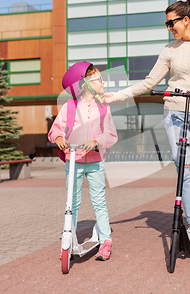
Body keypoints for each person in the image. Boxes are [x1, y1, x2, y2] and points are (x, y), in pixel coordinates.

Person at [103, 0, 190, 249]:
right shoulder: (169, 50)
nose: (169, 27)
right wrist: (117, 95)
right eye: (166, 23)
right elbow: (149, 82)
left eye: (171, 22)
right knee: (184, 170)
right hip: (175, 112)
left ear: (186, 20)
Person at [48, 62, 118, 261]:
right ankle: (69, 238)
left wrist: (97, 141)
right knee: (72, 203)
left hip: (95, 162)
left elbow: (112, 135)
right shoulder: (70, 107)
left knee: (99, 202)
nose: (103, 82)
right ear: (86, 84)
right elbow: (55, 129)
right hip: (74, 161)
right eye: (98, 79)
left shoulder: (104, 108)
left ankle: (106, 241)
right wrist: (59, 138)